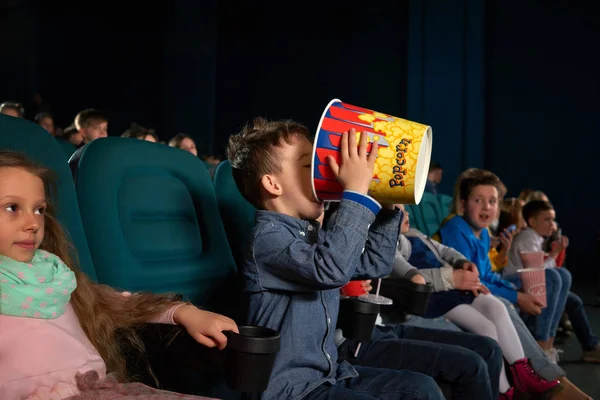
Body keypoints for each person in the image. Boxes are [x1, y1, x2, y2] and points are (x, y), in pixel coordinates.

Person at [228, 118, 444, 399]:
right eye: (309, 166)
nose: (322, 174)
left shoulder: (311, 233)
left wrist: (387, 205)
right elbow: (331, 269)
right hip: (290, 391)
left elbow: (375, 264)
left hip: (327, 377)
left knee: (422, 389)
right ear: (272, 184)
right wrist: (354, 194)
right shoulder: (266, 239)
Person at [0, 151, 237, 399]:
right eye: (12, 207)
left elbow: (121, 304)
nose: (33, 223)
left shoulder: (56, 275)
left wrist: (184, 312)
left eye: (39, 210)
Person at [391, 206, 560, 399]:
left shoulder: (414, 233)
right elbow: (410, 276)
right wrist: (452, 277)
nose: (406, 214)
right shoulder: (390, 245)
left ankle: (522, 370)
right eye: (399, 210)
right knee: (486, 328)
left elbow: (444, 250)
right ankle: (504, 391)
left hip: (454, 285)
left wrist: (462, 262)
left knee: (497, 306)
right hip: (436, 295)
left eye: (406, 209)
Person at [507, 200, 600, 363]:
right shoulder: (527, 236)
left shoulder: (535, 237)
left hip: (527, 279)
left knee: (563, 276)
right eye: (547, 220)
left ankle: (549, 344)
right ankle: (541, 345)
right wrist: (554, 254)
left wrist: (554, 254)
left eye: (553, 220)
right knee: (555, 277)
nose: (553, 224)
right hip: (514, 281)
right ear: (532, 221)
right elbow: (535, 272)